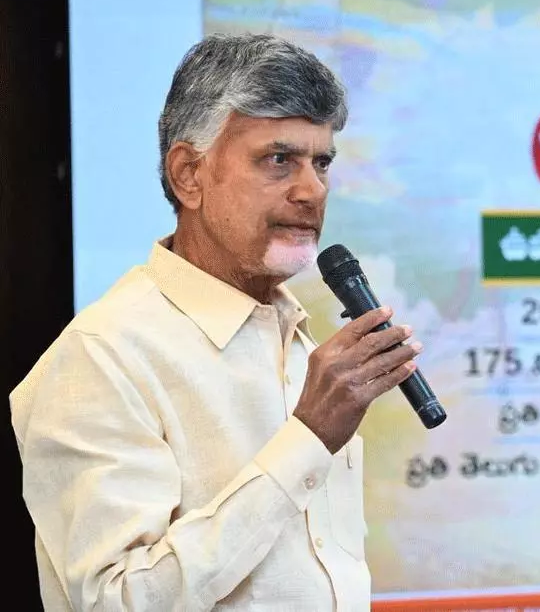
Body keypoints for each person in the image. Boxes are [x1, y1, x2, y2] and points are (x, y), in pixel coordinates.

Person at [9, 34, 422, 611]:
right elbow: (114, 601)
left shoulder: (298, 342)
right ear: (189, 175)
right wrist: (306, 440)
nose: (312, 191)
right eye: (279, 160)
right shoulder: (102, 356)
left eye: (322, 162)